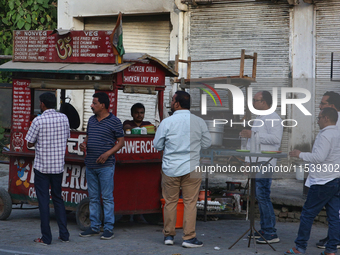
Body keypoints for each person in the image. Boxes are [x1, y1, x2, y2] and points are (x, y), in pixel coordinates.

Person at [153, 91, 211, 248]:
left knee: (170, 202)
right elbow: (207, 143)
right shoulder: (199, 121)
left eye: (172, 100)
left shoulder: (167, 122)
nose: (171, 103)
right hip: (193, 167)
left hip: (170, 167)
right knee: (190, 203)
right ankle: (189, 238)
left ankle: (169, 236)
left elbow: (157, 145)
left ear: (177, 104)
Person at [285, 107, 340, 255]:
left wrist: (300, 154)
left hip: (322, 181)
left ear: (326, 118)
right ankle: (331, 250)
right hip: (335, 179)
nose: (317, 121)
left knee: (307, 214)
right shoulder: (337, 133)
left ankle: (299, 247)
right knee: (334, 217)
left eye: (319, 118)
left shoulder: (326, 135)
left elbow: (319, 157)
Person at [25, 92, 70, 245]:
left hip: (42, 167)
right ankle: (64, 235)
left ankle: (46, 237)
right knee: (58, 199)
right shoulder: (64, 118)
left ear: (42, 104)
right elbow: (67, 136)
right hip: (58, 167)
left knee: (43, 202)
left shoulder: (38, 121)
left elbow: (29, 143)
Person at [79, 92, 124, 240]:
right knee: (93, 198)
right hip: (90, 164)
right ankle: (94, 226)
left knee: (107, 198)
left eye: (94, 103)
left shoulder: (115, 121)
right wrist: (84, 144)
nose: (92, 105)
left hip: (106, 166)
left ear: (103, 105)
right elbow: (88, 136)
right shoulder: (91, 120)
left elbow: (120, 142)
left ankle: (108, 228)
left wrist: (107, 154)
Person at [239, 91, 283, 244]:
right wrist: (247, 161)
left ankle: (271, 232)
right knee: (259, 195)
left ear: (264, 102)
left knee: (263, 194)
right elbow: (252, 143)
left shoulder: (274, 118)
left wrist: (254, 134)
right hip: (256, 161)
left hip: (265, 161)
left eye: (255, 100)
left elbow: (276, 139)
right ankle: (264, 229)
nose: (253, 103)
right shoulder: (259, 118)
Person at [316, 91, 340, 249]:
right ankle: (333, 238)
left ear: (332, 106)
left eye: (323, 104)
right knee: (334, 209)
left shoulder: (334, 125)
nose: (320, 106)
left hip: (333, 173)